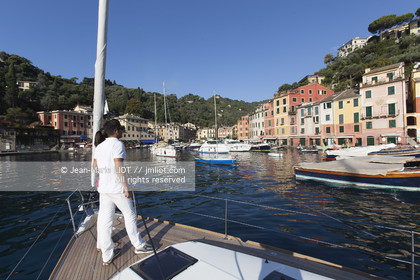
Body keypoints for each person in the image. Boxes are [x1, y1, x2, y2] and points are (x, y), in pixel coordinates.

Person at [93, 119, 152, 266]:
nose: (122, 132)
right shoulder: (118, 144)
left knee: (105, 220)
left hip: (104, 189)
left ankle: (107, 255)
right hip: (117, 188)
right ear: (117, 131)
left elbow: (95, 167)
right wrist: (126, 186)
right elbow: (119, 166)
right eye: (121, 129)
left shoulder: (99, 147)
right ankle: (138, 245)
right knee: (130, 215)